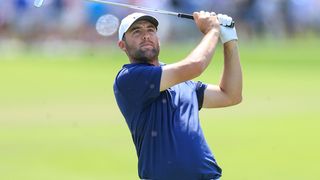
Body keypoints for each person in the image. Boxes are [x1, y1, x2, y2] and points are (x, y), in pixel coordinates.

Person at [113, 11, 242, 180]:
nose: (145, 36)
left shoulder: (181, 81)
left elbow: (230, 95)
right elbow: (196, 65)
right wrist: (213, 31)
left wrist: (229, 40)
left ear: (158, 39)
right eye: (136, 32)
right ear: (123, 45)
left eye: (150, 30)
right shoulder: (129, 78)